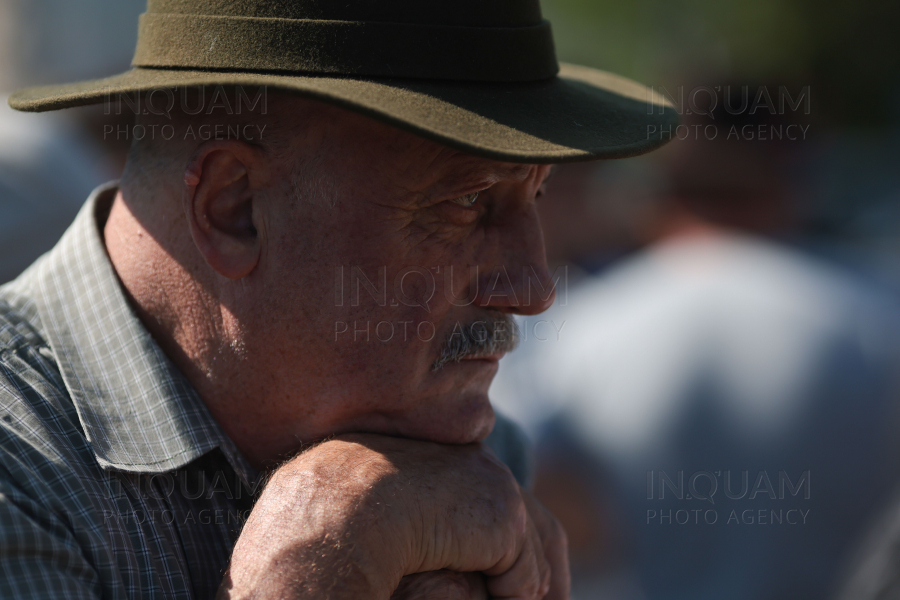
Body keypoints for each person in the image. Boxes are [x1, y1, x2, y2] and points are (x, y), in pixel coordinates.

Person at [0, 1, 676, 598]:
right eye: (468, 201)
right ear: (234, 207)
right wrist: (320, 565)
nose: (532, 290)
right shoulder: (17, 468)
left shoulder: (466, 447)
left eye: (537, 194)